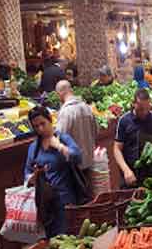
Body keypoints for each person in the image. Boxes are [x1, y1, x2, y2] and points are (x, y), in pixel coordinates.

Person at [24, 106, 82, 237]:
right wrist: (32, 177)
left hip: (65, 199)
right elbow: (27, 171)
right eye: (36, 126)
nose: (40, 129)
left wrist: (60, 147)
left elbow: (78, 156)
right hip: (46, 203)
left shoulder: (63, 138)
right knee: (52, 238)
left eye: (43, 123)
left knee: (68, 236)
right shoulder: (34, 147)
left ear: (50, 120)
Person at [113, 89, 152, 188]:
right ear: (133, 103)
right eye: (141, 109)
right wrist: (126, 170)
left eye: (147, 108)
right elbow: (117, 149)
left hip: (150, 175)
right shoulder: (124, 121)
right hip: (130, 174)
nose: (144, 112)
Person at [55, 80, 98, 176]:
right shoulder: (87, 107)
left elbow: (60, 137)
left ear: (60, 93)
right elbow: (96, 130)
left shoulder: (65, 112)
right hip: (89, 160)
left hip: (74, 164)